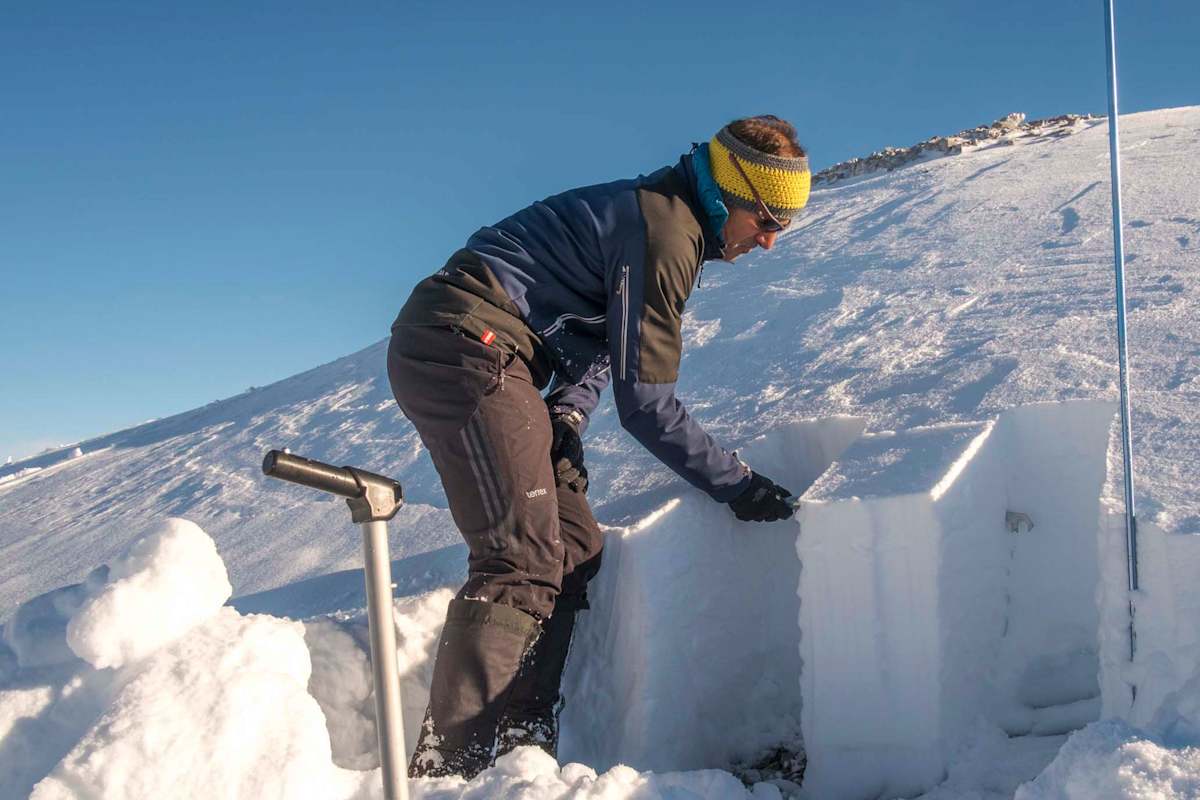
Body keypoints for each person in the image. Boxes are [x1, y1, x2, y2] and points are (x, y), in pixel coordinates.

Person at [387, 115, 811, 779]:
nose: (770, 241)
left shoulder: (669, 220)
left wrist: (566, 418)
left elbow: (597, 341)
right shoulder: (665, 230)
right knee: (519, 559)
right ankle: (445, 771)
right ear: (730, 193)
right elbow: (646, 407)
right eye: (767, 219)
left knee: (575, 546)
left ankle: (525, 741)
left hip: (498, 353)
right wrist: (738, 484)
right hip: (465, 343)